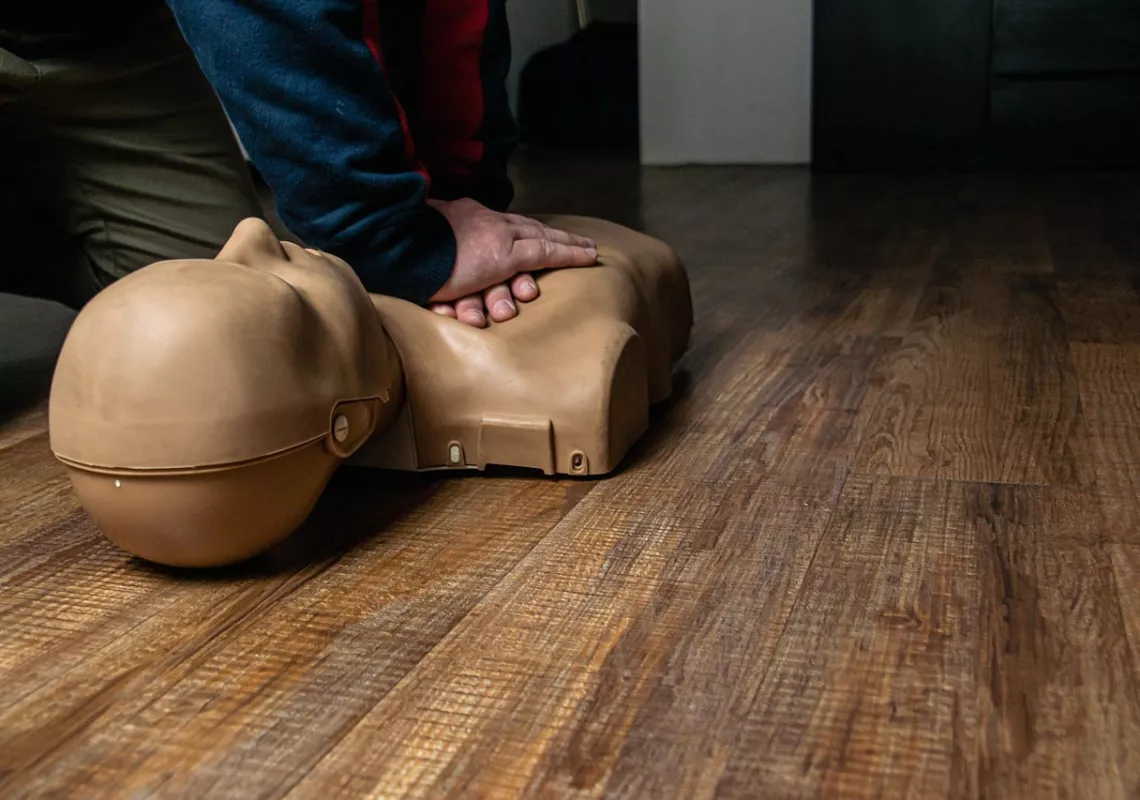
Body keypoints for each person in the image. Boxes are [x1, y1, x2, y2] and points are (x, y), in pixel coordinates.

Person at [0, 1, 597, 328]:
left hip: (101, 37)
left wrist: (459, 212)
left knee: (212, 318)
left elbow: (448, 14)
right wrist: (391, 243)